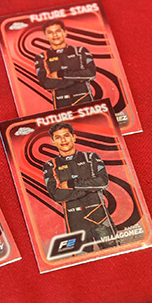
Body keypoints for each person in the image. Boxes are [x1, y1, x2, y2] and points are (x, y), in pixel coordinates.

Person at [42, 122, 117, 252]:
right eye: (58, 137)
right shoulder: (50, 165)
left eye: (66, 135)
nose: (63, 140)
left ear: (74, 137)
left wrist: (72, 184)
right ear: (53, 141)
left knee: (115, 252)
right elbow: (56, 195)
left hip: (99, 215)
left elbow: (103, 182)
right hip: (75, 221)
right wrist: (88, 189)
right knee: (83, 259)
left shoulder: (91, 157)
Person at [33, 19, 97, 109]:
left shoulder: (80, 51)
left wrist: (61, 74)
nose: (55, 35)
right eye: (50, 32)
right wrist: (77, 79)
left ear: (65, 33)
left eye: (58, 31)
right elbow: (46, 83)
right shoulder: (41, 57)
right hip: (61, 104)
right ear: (45, 36)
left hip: (84, 99)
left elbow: (91, 73)